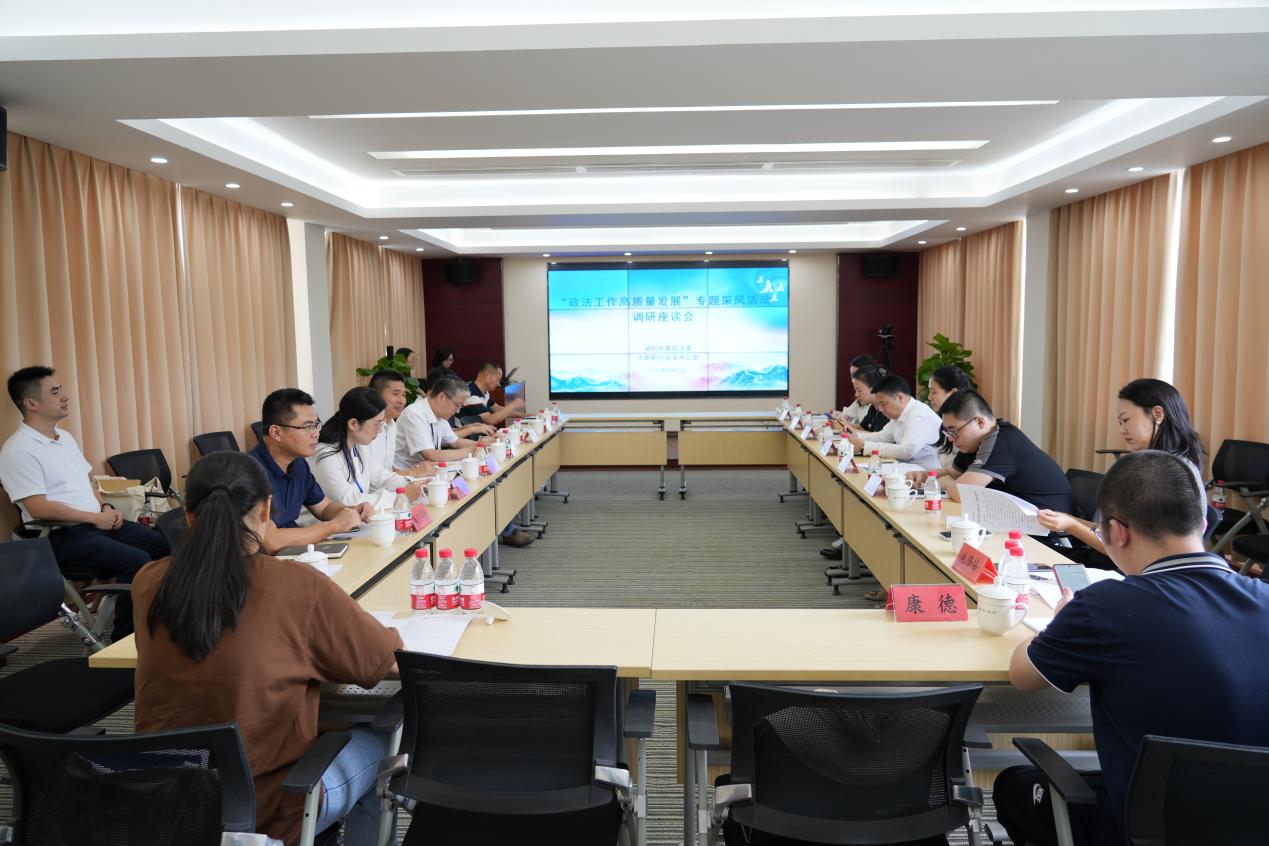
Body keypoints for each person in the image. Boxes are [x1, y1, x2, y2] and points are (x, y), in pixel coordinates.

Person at [993, 450, 1269, 846]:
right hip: (1255, 825)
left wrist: (1060, 621)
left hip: (1142, 827)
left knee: (1014, 785)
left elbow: (1022, 676)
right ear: (1205, 523)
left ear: (1117, 533)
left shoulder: (1104, 607)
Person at [132, 451, 403, 846]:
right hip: (271, 810)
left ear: (188, 516)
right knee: (387, 741)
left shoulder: (147, 582)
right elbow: (385, 661)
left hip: (167, 803)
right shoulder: (297, 585)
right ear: (265, 509)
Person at [0, 366, 171, 640]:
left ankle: (157, 619)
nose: (64, 396)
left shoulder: (65, 438)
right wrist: (95, 518)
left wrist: (105, 507)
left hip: (97, 523)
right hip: (61, 535)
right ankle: (125, 637)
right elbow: (38, 508)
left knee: (161, 544)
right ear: (31, 403)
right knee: (137, 560)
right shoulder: (18, 451)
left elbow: (88, 483)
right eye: (55, 392)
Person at [1037, 378, 1208, 552]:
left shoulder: (1166, 474)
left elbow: (1126, 549)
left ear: (1157, 414)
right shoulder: (1171, 464)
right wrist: (1068, 520)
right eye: (1120, 422)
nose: (1122, 430)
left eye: (1125, 420)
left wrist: (1071, 525)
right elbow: (1115, 534)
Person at [247, 389, 372, 551]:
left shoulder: (298, 463)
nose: (316, 434)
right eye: (307, 427)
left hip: (294, 551)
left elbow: (324, 507)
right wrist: (335, 525)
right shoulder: (249, 472)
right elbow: (270, 541)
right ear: (276, 432)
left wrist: (351, 511)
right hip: (266, 558)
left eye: (316, 425)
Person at [915, 389, 1073, 514]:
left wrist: (942, 483)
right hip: (1012, 516)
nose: (950, 438)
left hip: (1047, 525)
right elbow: (951, 473)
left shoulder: (1002, 441)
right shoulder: (974, 442)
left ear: (979, 422)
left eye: (954, 431)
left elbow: (960, 492)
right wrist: (923, 476)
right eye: (948, 432)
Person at [309, 387, 424, 511]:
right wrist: (400, 496)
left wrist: (413, 484)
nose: (380, 430)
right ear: (353, 424)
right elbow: (347, 500)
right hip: (328, 521)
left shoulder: (358, 446)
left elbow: (382, 477)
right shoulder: (326, 455)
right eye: (377, 424)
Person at [821, 364, 891, 560]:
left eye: (859, 390)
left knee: (859, 494)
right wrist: (847, 427)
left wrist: (856, 435)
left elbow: (881, 438)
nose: (856, 395)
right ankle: (851, 539)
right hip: (873, 459)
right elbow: (865, 429)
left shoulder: (887, 409)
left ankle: (856, 543)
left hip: (885, 463)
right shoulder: (875, 408)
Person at [844, 373, 942, 471]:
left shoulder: (919, 415)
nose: (880, 409)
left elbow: (906, 451)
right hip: (905, 468)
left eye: (883, 403)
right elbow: (881, 437)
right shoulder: (898, 415)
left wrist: (865, 446)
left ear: (900, 397)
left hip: (925, 474)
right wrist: (855, 436)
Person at [393, 375, 487, 468]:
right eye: (457, 405)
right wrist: (473, 450)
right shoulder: (415, 414)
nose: (458, 411)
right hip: (406, 473)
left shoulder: (439, 415)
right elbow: (430, 455)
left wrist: (482, 445)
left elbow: (456, 442)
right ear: (442, 397)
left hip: (427, 469)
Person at [366, 370, 433, 477]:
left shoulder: (392, 424)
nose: (402, 401)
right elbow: (371, 477)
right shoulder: (366, 428)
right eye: (395, 394)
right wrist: (413, 472)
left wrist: (413, 472)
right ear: (376, 395)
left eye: (404, 395)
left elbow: (387, 468)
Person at [927, 365, 973, 468]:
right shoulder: (945, 420)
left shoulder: (968, 426)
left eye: (933, 392)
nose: (929, 397)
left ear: (952, 393)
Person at [460, 362, 525, 428]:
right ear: (487, 376)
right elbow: (489, 420)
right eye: (497, 380)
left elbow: (497, 408)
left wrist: (522, 415)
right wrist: (512, 405)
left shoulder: (484, 392)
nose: (498, 384)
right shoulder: (471, 394)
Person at [833, 354, 879, 427]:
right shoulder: (868, 404)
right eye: (851, 376)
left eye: (856, 375)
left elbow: (875, 433)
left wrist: (846, 425)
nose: (853, 380)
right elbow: (848, 415)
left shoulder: (879, 407)